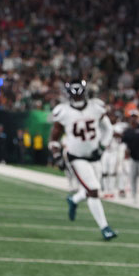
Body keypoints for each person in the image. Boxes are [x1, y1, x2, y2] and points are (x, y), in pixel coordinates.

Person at [47, 79, 116, 240]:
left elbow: (108, 129)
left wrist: (102, 147)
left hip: (94, 155)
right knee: (93, 190)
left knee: (91, 188)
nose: (78, 99)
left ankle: (74, 199)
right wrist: (57, 156)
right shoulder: (62, 111)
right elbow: (54, 138)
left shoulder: (96, 107)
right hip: (76, 157)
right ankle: (105, 228)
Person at [122, 110, 139, 200]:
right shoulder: (128, 130)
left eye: (135, 117)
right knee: (132, 176)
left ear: (137, 118)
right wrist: (126, 150)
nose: (133, 118)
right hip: (132, 157)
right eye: (132, 117)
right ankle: (134, 194)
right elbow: (124, 142)